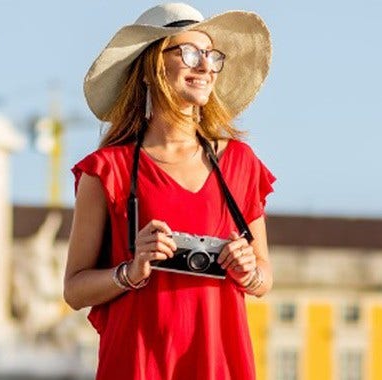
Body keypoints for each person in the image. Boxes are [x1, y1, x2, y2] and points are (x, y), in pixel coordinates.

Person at [63, 3, 275, 379]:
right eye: (190, 53)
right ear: (152, 67)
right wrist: (131, 271)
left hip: (218, 364)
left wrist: (248, 271)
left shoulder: (241, 163)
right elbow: (75, 289)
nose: (206, 66)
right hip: (136, 364)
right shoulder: (106, 170)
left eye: (211, 56)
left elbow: (264, 277)